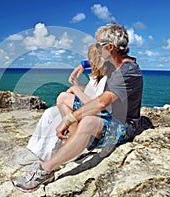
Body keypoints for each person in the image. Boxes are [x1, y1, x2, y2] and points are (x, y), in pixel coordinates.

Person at [12, 23, 143, 192]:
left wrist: (68, 120)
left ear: (109, 47)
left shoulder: (127, 71)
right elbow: (95, 63)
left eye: (98, 45)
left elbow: (101, 103)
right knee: (64, 98)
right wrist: (82, 65)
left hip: (123, 125)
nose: (96, 48)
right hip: (107, 115)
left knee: (88, 121)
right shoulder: (115, 64)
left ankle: (46, 170)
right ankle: (76, 141)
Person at [23, 44, 112, 164]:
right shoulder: (96, 74)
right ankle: (36, 150)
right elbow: (90, 91)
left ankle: (61, 152)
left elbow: (96, 104)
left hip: (95, 115)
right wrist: (77, 85)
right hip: (85, 108)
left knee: (63, 100)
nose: (90, 61)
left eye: (91, 59)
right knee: (50, 112)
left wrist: (74, 90)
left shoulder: (109, 77)